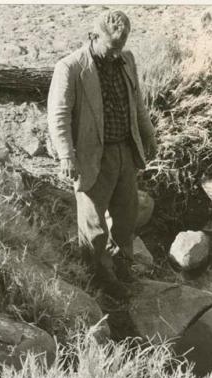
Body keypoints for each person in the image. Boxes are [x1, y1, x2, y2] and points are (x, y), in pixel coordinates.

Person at [47, 10, 156, 300]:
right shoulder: (70, 68)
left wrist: (148, 134)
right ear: (93, 37)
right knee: (93, 224)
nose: (115, 55)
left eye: (119, 48)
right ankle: (98, 277)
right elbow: (58, 116)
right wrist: (67, 157)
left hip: (124, 151)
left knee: (126, 215)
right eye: (111, 48)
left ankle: (122, 267)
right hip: (92, 155)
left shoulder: (126, 59)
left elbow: (138, 102)